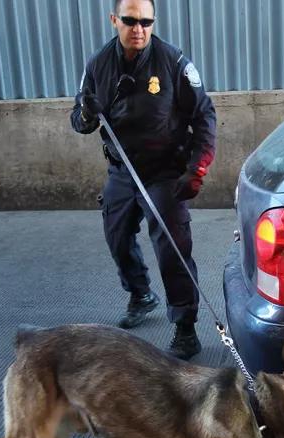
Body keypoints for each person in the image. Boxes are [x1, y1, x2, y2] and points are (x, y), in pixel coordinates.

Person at [71, 0, 217, 359]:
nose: (138, 29)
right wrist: (86, 114)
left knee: (172, 248)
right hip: (122, 171)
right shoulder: (97, 65)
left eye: (146, 22)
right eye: (130, 20)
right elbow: (79, 120)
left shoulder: (173, 62)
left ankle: (185, 327)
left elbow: (204, 115)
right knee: (117, 237)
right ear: (114, 20)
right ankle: (140, 294)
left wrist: (196, 169)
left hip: (165, 172)